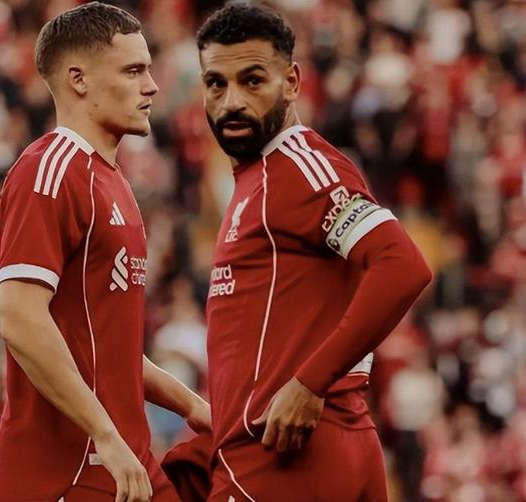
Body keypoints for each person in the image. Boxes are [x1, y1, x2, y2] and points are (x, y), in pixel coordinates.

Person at [196, 5, 432, 501]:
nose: (232, 101)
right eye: (216, 84)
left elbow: (402, 265)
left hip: (284, 455)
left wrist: (309, 383)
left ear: (292, 82)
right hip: (296, 447)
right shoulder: (258, 178)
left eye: (252, 80)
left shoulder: (299, 167)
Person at [0, 3, 209, 501]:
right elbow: (20, 318)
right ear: (78, 79)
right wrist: (105, 435)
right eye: (133, 71)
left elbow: (108, 350)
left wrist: (194, 407)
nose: (151, 87)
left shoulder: (111, 182)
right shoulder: (47, 172)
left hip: (124, 460)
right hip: (69, 471)